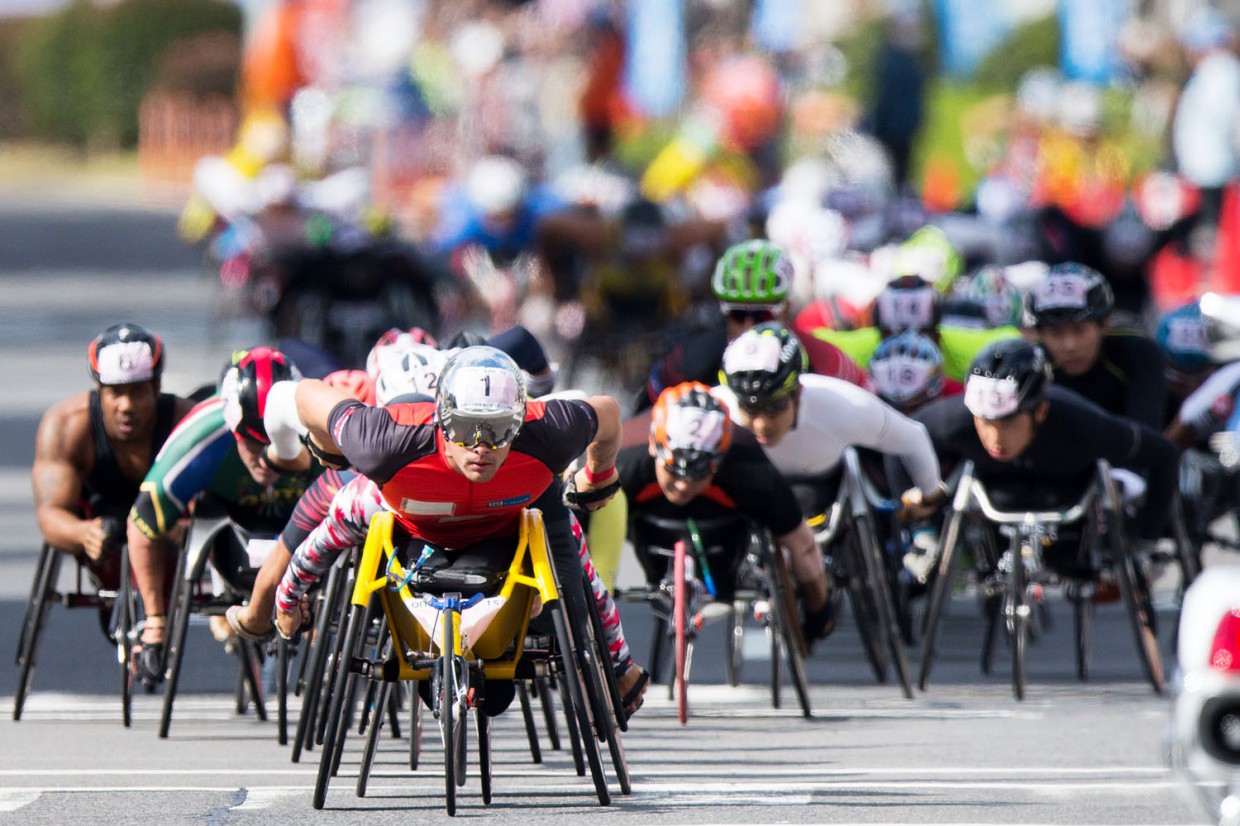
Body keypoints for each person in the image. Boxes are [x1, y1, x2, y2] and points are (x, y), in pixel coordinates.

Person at [286, 346, 641, 715]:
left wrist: (600, 475)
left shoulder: (547, 432)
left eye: (499, 430)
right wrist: (327, 446)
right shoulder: (381, 442)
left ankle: (615, 666)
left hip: (511, 524)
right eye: (465, 428)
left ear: (519, 422)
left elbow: (609, 414)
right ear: (442, 418)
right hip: (419, 538)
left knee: (569, 608)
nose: (481, 446)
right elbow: (304, 394)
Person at [892, 339, 1180, 580]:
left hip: (1067, 500)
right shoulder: (953, 419)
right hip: (994, 495)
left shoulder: (1082, 423)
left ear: (1039, 411)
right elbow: (899, 441)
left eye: (1007, 423)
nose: (995, 438)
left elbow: (1164, 454)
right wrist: (921, 527)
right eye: (984, 422)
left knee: (1074, 562)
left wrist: (1146, 537)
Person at [126, 346, 319, 686]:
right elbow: (143, 520)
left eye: (278, 441)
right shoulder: (205, 433)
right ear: (232, 427)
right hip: (231, 526)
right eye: (253, 444)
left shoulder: (317, 426)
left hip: (308, 526)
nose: (267, 458)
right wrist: (156, 622)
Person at [617, 381, 836, 648]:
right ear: (654, 446)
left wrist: (818, 615)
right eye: (675, 469)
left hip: (726, 535)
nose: (684, 484)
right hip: (647, 526)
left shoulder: (747, 466)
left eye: (699, 472)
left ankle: (726, 577)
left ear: (720, 460)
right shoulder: (625, 460)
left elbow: (802, 545)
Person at [716, 323, 946, 519]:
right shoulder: (714, 409)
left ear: (798, 392)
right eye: (750, 408)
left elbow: (913, 437)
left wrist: (930, 495)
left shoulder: (845, 405)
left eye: (774, 407)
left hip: (824, 489)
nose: (761, 424)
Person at [33, 324, 194, 598]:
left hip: (167, 517)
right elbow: (50, 513)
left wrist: (189, 527)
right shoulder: (66, 426)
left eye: (138, 392)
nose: (127, 406)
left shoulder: (186, 423)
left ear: (157, 388)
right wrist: (83, 533)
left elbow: (212, 499)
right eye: (115, 393)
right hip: (103, 517)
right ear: (99, 389)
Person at [639, 239, 873, 411]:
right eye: (738, 315)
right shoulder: (693, 359)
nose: (750, 326)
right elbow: (643, 415)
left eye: (762, 315)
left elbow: (873, 409)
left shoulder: (822, 359)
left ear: (788, 310)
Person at [1027, 262, 1167, 429]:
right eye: (1056, 333)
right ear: (1039, 334)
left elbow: (1148, 435)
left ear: (1104, 324)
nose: (1069, 345)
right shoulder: (1029, 364)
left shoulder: (1139, 352)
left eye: (1079, 330)